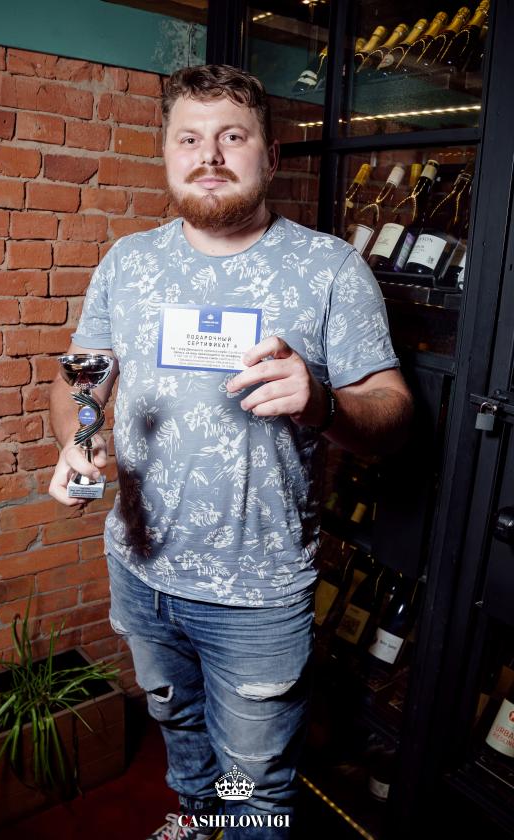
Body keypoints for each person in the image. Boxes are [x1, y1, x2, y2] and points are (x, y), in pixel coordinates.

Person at [49, 64, 413, 840]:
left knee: (255, 776)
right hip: (140, 572)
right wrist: (79, 436)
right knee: (177, 726)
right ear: (167, 153)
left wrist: (322, 401)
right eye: (189, 138)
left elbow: (393, 412)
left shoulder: (329, 268)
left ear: (270, 157)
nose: (208, 155)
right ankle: (194, 817)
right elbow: (83, 373)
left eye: (232, 137)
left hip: (256, 596)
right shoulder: (129, 261)